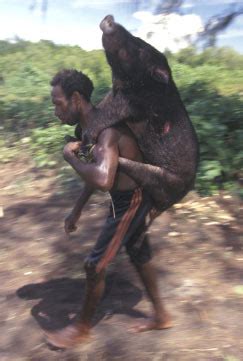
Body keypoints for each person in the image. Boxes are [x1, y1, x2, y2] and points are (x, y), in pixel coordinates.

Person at [47, 69, 172, 348]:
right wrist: (77, 209)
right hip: (128, 198)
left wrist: (70, 158)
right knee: (138, 252)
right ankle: (162, 315)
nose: (55, 110)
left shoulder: (106, 130)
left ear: (76, 98)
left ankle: (81, 329)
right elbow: (97, 171)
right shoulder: (88, 129)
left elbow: (103, 179)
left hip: (133, 199)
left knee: (94, 265)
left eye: (58, 103)